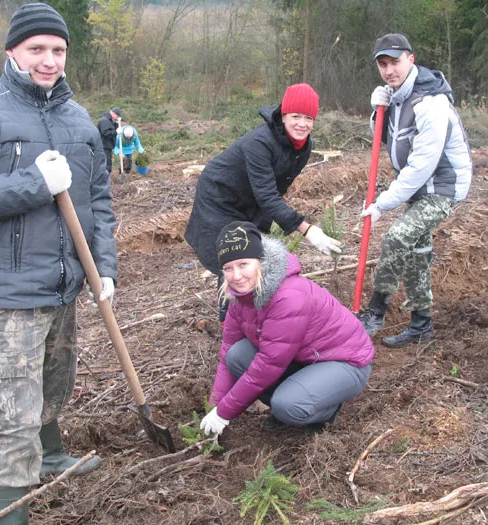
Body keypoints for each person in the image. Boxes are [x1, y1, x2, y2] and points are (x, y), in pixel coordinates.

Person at [0, 3, 117, 523]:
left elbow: (98, 201)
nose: (49, 60)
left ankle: (52, 454)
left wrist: (105, 269)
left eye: (58, 50)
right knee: (15, 413)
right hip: (10, 291)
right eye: (37, 49)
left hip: (66, 284)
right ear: (12, 51)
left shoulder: (78, 119)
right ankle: (7, 510)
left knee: (57, 383)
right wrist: (35, 182)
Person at [199, 222, 374, 437]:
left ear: (260, 262)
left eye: (243, 264)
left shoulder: (288, 297)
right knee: (237, 356)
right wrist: (213, 407)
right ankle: (293, 399)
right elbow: (227, 353)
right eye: (228, 268)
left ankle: (324, 410)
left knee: (287, 405)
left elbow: (269, 364)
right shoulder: (239, 299)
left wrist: (224, 413)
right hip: (302, 359)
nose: (236, 276)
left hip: (343, 362)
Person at [185, 83, 342, 323]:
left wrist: (265, 221)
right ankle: (231, 322)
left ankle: (251, 315)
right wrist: (308, 230)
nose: (302, 124)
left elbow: (277, 189)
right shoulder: (259, 142)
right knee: (235, 254)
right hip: (220, 197)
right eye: (295, 116)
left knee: (253, 253)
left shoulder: (303, 146)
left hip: (249, 200)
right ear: (283, 115)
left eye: (308, 118)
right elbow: (267, 196)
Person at [359, 33, 472, 347]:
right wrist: (375, 111)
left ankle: (375, 313)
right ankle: (421, 325)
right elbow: (387, 139)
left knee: (397, 239)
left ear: (411, 59)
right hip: (421, 189)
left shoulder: (430, 102)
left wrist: (384, 202)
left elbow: (422, 164)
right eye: (382, 64)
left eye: (394, 61)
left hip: (442, 187)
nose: (388, 70)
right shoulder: (398, 96)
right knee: (417, 254)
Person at [98, 106, 122, 175]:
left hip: (107, 146)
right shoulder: (104, 121)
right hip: (104, 146)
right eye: (117, 116)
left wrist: (116, 124)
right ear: (114, 114)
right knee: (106, 165)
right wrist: (116, 132)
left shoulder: (109, 120)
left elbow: (111, 129)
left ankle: (106, 179)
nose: (117, 118)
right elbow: (105, 133)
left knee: (108, 164)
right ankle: (105, 181)